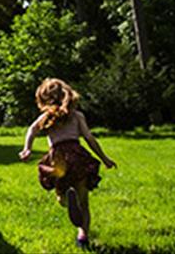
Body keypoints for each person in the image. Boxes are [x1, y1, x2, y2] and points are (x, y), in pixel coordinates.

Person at [19, 78, 116, 249]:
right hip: (77, 157)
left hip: (59, 160)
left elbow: (32, 130)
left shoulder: (46, 117)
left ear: (43, 98)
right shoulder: (77, 116)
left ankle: (66, 199)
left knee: (60, 195)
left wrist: (27, 148)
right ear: (67, 95)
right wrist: (104, 158)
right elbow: (89, 138)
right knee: (84, 202)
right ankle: (83, 237)